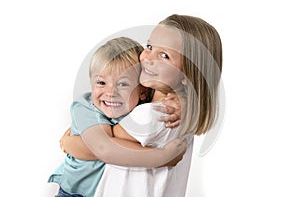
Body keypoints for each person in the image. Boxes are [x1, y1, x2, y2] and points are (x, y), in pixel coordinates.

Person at [62, 14, 223, 197]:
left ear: (189, 75)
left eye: (164, 55)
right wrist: (185, 101)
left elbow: (102, 147)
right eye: (149, 47)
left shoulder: (152, 114)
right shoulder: (182, 111)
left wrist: (69, 142)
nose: (147, 58)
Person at [48, 37, 184, 197]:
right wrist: (163, 157)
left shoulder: (141, 109)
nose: (111, 93)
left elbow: (162, 91)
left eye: (123, 84)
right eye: (101, 83)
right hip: (75, 192)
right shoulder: (84, 107)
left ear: (142, 92)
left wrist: (181, 101)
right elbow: (103, 148)